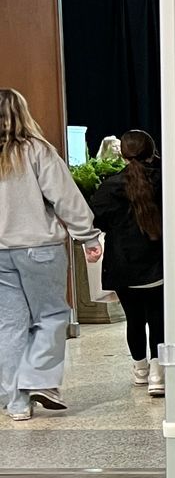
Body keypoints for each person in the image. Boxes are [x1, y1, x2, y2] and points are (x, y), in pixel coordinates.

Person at [0, 88, 103, 422]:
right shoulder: (37, 151)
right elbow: (65, 197)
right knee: (53, 315)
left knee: (10, 326)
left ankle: (16, 402)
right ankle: (39, 380)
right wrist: (87, 235)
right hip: (38, 249)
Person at [86, 128, 167, 397]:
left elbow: (97, 220)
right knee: (158, 318)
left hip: (122, 266)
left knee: (134, 319)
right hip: (157, 264)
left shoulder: (109, 186)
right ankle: (158, 374)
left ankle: (140, 370)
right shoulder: (164, 182)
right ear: (151, 151)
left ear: (121, 153)